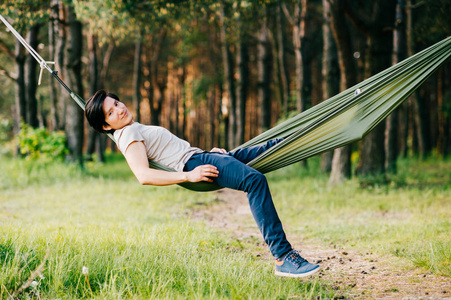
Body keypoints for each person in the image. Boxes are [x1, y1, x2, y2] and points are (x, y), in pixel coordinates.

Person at [85, 89, 320, 278]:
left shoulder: (130, 129)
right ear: (105, 126)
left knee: (269, 147)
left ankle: (315, 130)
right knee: (255, 181)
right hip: (193, 164)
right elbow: (143, 176)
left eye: (116, 103)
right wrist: (189, 175)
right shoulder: (127, 135)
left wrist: (213, 154)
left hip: (200, 157)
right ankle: (283, 257)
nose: (119, 108)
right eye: (110, 112)